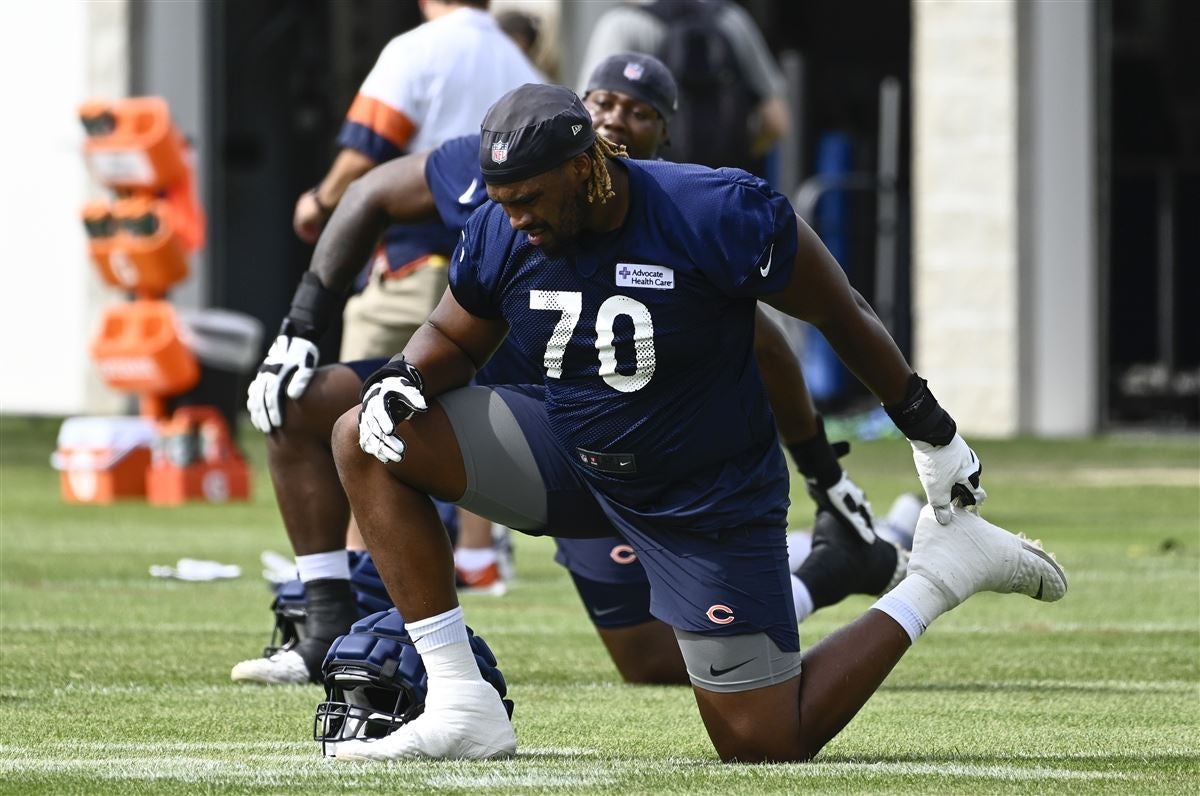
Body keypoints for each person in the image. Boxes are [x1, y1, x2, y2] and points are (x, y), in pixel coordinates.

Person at [327, 84, 1067, 762]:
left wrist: (931, 432)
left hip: (701, 494)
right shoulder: (503, 228)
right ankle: (464, 701)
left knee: (765, 743)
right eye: (503, 200)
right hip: (571, 455)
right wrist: (405, 376)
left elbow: (841, 310)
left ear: (587, 167)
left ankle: (944, 570)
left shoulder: (716, 211)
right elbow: (456, 336)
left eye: (529, 198)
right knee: (365, 432)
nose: (517, 219)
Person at [235, 56, 904, 687]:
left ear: (654, 136)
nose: (618, 117)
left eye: (640, 111)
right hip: (488, 398)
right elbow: (372, 193)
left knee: (650, 660)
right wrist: (299, 327)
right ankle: (327, 623)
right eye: (605, 100)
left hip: (623, 436)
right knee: (303, 405)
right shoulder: (503, 164)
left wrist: (824, 473)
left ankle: (829, 572)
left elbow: (770, 352)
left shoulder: (687, 219)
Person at [577, 0, 789, 176]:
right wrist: (734, 153)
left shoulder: (621, 25)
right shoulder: (732, 19)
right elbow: (776, 122)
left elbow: (585, 122)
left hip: (649, 186)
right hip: (723, 187)